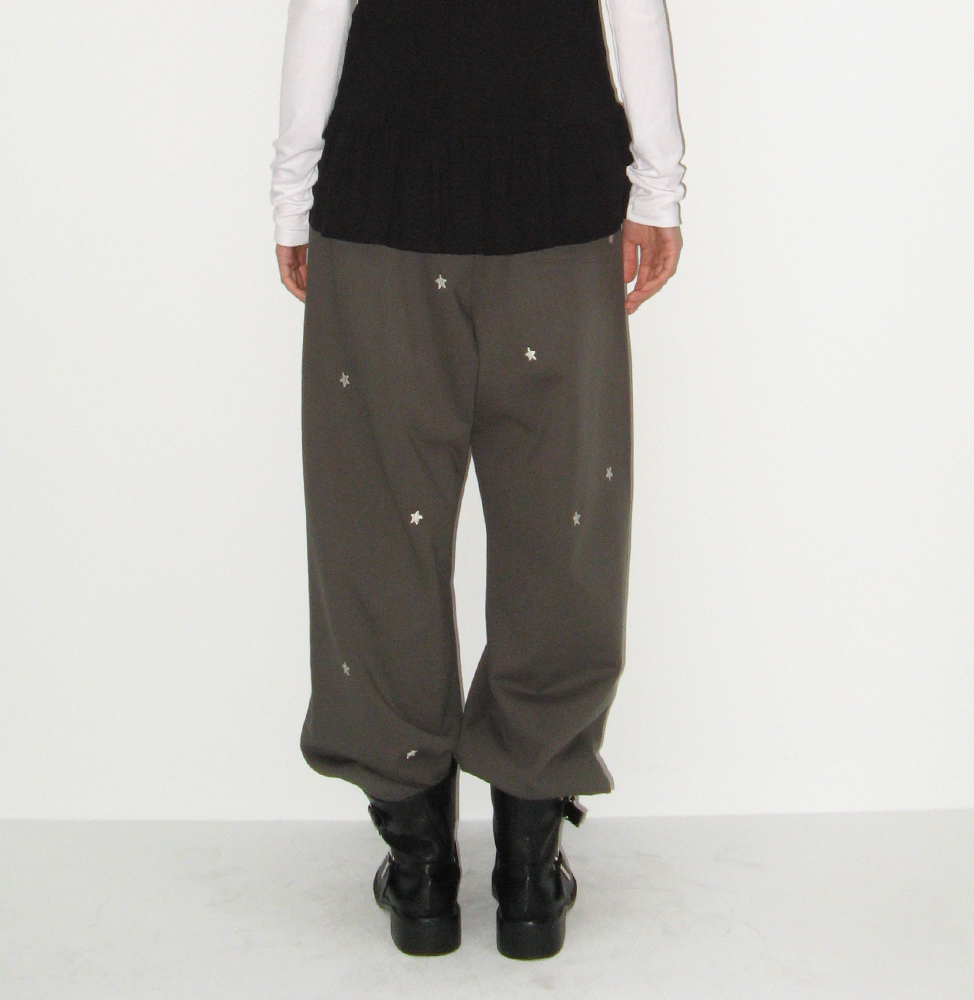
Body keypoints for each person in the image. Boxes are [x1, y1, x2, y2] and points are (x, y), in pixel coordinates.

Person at [270, 0, 686, 960]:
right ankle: (528, 867)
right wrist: (655, 186)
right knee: (562, 524)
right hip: (556, 195)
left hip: (381, 194)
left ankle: (420, 868)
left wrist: (293, 189)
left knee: (377, 524)